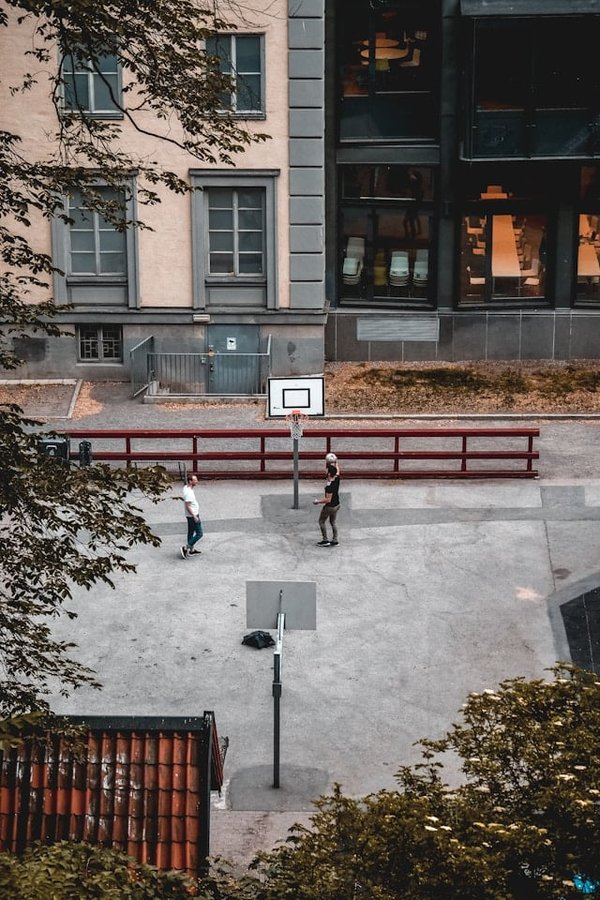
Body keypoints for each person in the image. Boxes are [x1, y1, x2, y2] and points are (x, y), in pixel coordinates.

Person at [313, 463, 341, 547]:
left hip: (330, 507)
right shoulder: (337, 479)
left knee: (321, 521)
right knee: (333, 522)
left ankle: (325, 540)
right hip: (337, 505)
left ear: (329, 474)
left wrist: (318, 501)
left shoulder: (330, 487)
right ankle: (335, 540)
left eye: (326, 470)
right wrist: (336, 462)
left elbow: (328, 500)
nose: (325, 471)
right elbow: (338, 471)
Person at [181, 473, 203, 559]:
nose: (197, 481)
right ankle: (186, 548)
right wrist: (194, 516)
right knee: (199, 533)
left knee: (191, 531)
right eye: (195, 480)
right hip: (192, 515)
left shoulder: (186, 488)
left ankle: (191, 550)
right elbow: (188, 505)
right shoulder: (189, 493)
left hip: (189, 515)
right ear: (190, 481)